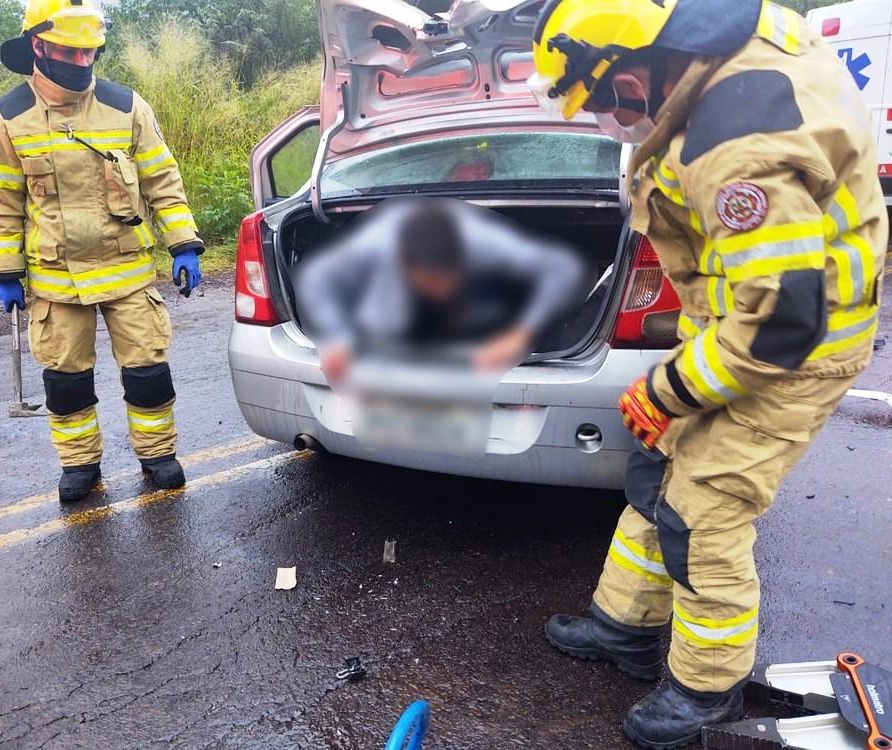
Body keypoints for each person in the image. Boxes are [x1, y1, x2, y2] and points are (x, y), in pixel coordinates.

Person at [529, 0, 887, 747]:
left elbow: (781, 321)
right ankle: (626, 626)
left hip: (795, 354)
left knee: (706, 511)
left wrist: (665, 389)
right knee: (656, 469)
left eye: (599, 101)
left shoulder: (737, 146)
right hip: (730, 333)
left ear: (634, 68)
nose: (604, 119)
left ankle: (706, 688)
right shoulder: (706, 66)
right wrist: (671, 397)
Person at [0, 0, 205, 503]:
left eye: (90, 53)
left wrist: (184, 243)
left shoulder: (126, 106)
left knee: (148, 372)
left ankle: (158, 454)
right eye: (70, 52)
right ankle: (80, 466)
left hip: (126, 267)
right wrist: (5, 269)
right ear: (38, 45)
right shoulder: (8, 116)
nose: (82, 63)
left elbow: (163, 181)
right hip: (57, 278)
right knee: (67, 382)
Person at [293, 197, 590, 384]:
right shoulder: (375, 247)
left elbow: (565, 268)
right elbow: (316, 277)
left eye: (445, 279)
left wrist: (522, 333)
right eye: (428, 281)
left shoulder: (485, 241)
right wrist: (336, 338)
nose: (438, 290)